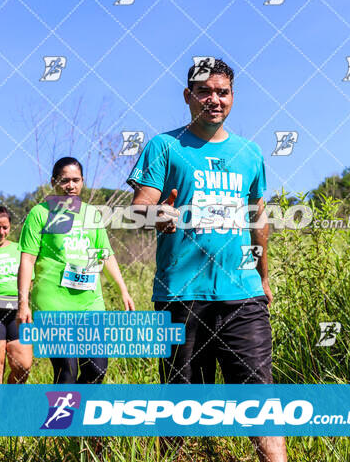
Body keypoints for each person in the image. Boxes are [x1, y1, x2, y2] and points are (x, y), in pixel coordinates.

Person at [127, 59, 287, 461]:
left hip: (243, 294)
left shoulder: (249, 152)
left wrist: (264, 278)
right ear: (188, 96)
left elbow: (258, 219)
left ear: (232, 97)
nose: (214, 99)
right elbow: (137, 209)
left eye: (223, 92)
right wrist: (157, 215)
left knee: (261, 401)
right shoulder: (165, 146)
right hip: (180, 297)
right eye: (205, 91)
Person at [17, 157, 135, 384]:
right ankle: (63, 419)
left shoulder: (92, 214)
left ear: (82, 182)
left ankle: (74, 414)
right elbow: (28, 260)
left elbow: (105, 254)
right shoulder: (39, 214)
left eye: (76, 180)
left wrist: (123, 291)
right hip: (54, 305)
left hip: (90, 303)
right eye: (64, 181)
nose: (71, 185)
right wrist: (23, 303)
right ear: (54, 182)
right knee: (67, 370)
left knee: (97, 369)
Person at [0, 206, 32, 383]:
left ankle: (9, 403)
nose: (1, 232)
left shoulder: (19, 249)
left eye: (5, 227)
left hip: (16, 312)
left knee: (23, 365)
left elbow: (30, 280)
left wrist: (25, 306)